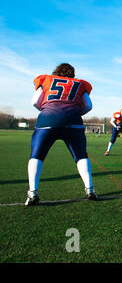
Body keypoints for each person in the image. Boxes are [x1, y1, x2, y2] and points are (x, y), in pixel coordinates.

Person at [26, 63, 97, 206]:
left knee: (37, 156)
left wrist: (47, 109)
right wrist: (74, 112)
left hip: (48, 118)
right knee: (81, 156)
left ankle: (33, 192)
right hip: (73, 120)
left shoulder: (46, 79)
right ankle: (90, 189)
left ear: (56, 72)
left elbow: (34, 101)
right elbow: (89, 106)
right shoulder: (79, 83)